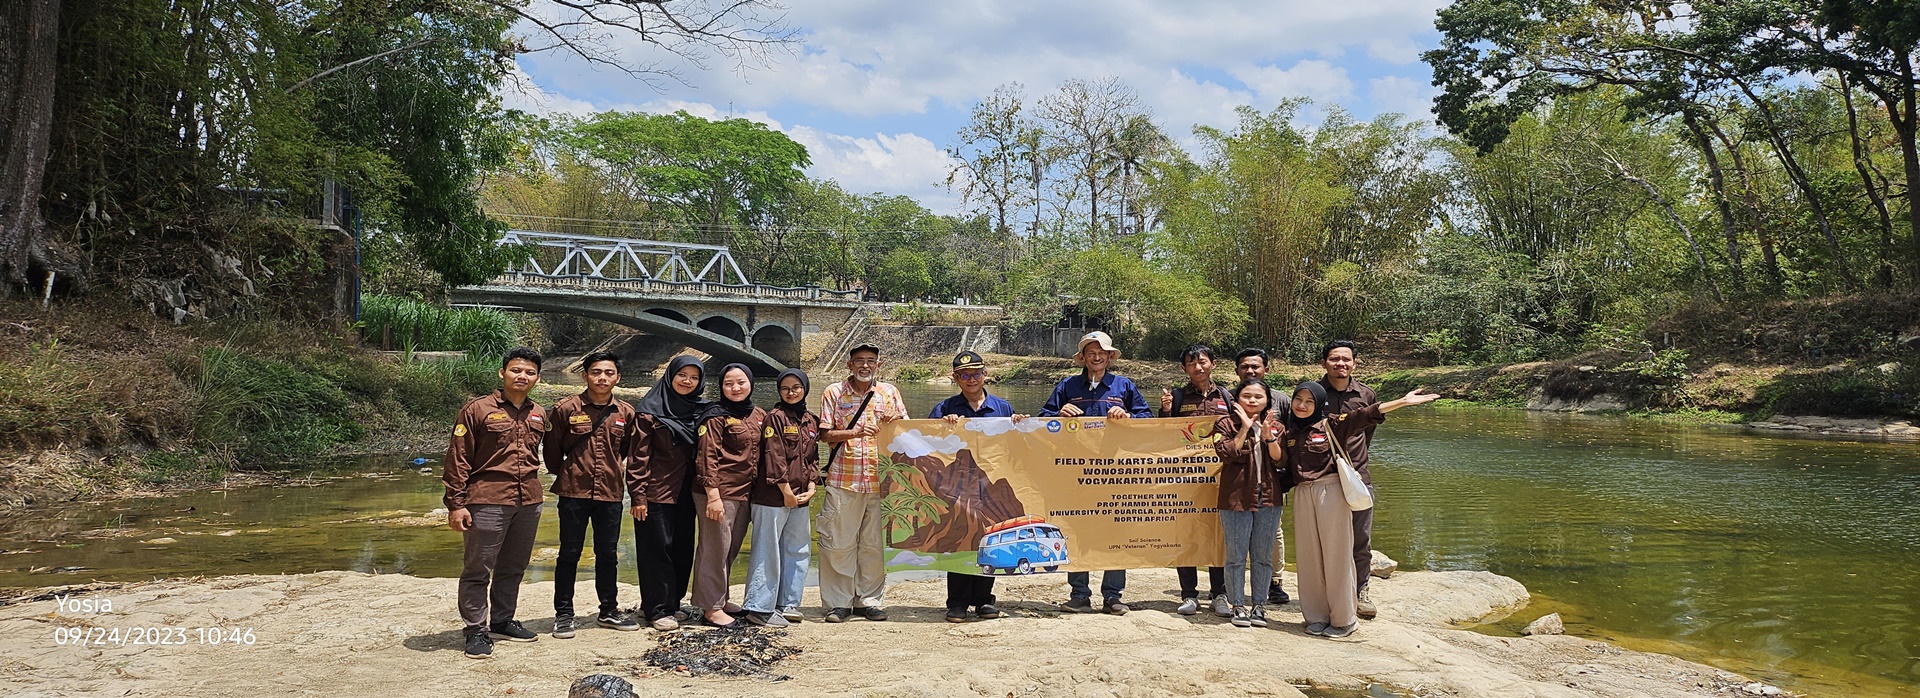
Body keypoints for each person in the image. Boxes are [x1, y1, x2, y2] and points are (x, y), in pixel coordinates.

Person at [1281, 380, 1438, 638]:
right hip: (1303, 494)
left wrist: (1402, 402)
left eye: (1309, 401)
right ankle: (1317, 616)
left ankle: (1344, 619)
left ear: (1318, 404)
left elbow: (1363, 415)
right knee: (1309, 559)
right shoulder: (1289, 434)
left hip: (1330, 492)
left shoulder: (1331, 425)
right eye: (1298, 400)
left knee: (1337, 555)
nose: (1302, 405)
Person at [443, 347, 549, 660]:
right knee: (478, 568)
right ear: (502, 373)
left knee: (514, 566)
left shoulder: (539, 413)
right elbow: (458, 458)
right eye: (516, 370)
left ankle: (503, 620)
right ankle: (476, 630)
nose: (523, 376)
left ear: (537, 378)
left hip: (528, 501)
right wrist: (455, 503)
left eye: (529, 372)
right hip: (487, 499)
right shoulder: (477, 410)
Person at [1039, 330, 1153, 615]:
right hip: (1074, 474)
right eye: (1091, 352)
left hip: (1115, 473)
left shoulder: (1124, 387)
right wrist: (1058, 415)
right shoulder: (1067, 387)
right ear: (1083, 358)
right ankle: (1079, 594)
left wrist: (1127, 417)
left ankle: (1113, 595)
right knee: (1075, 530)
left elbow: (1148, 420)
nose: (1097, 356)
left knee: (1116, 529)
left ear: (1110, 357)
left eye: (1102, 352)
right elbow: (1041, 421)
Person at [1317, 339, 1420, 620]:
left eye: (1346, 359)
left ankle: (1361, 591)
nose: (1341, 364)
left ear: (1355, 363)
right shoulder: (1314, 394)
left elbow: (1367, 433)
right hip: (1322, 477)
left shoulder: (1366, 394)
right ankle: (1330, 592)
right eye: (1335, 359)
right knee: (1325, 539)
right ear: (1324, 362)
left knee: (1360, 539)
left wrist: (1355, 462)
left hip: (1358, 476)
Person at [542, 352, 640, 638]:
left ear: (618, 378)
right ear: (585, 375)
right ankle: (564, 614)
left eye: (609, 373)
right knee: (569, 553)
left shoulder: (625, 413)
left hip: (610, 492)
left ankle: (608, 609)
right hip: (573, 491)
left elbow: (625, 451)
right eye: (596, 372)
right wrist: (570, 471)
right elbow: (552, 451)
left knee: (608, 554)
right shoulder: (565, 408)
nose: (602, 378)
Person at [928, 351, 1028, 622]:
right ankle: (957, 602)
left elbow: (1014, 447)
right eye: (964, 375)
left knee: (991, 540)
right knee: (960, 540)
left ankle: (984, 600)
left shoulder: (1003, 408)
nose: (970, 379)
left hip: (990, 484)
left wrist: (1020, 425)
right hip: (957, 488)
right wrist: (941, 426)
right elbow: (929, 444)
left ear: (985, 375)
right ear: (955, 378)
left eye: (975, 374)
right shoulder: (943, 408)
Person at [816, 343, 908, 623]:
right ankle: (838, 602)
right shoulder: (834, 392)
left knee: (873, 545)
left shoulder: (889, 392)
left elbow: (908, 432)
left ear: (878, 365)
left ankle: (869, 600)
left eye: (870, 361)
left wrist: (897, 421)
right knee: (838, 542)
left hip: (882, 480)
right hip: (845, 478)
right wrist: (853, 432)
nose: (865, 365)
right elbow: (824, 435)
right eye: (859, 361)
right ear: (849, 365)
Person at [628, 355, 709, 631]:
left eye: (694, 377)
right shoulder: (649, 411)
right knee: (656, 550)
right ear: (670, 375)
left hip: (688, 492)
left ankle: (672, 603)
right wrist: (637, 496)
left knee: (682, 548)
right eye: (682, 375)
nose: (687, 381)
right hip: (656, 491)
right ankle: (656, 608)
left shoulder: (699, 411)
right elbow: (638, 457)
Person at [742, 369, 820, 628]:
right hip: (772, 497)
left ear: (805, 389)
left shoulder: (810, 420)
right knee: (768, 550)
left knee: (798, 549)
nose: (791, 392)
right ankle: (759, 607)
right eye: (785, 388)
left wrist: (811, 485)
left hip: (800, 495)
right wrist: (785, 491)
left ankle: (788, 602)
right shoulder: (774, 418)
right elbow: (773, 457)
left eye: (796, 387)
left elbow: (812, 458)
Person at [690, 363, 765, 629]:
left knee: (731, 547)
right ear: (721, 387)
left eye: (741, 382)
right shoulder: (714, 417)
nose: (735, 388)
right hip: (719, 492)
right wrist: (712, 495)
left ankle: (721, 599)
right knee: (714, 548)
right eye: (728, 383)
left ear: (751, 383)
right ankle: (710, 607)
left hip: (745, 492)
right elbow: (706, 456)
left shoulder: (757, 414)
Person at [1159, 344, 1231, 617]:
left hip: (1220, 476)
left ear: (1213, 363)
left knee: (1218, 533)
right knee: (1185, 533)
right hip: (1184, 478)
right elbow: (1162, 436)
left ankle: (1219, 593)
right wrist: (1166, 412)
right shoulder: (1177, 397)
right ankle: (1189, 594)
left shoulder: (1227, 396)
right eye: (1191, 364)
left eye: (1202, 362)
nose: (1198, 368)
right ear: (1184, 369)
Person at [1212, 379, 1285, 628]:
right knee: (1235, 556)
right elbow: (1226, 452)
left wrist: (1268, 437)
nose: (1252, 401)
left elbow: (1281, 460)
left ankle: (1259, 606)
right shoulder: (1224, 423)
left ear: (1267, 401)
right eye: (1247, 396)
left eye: (1258, 397)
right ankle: (1238, 606)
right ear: (1237, 399)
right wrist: (1244, 428)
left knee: (1263, 556)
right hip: (1236, 498)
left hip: (1269, 497)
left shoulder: (1276, 426)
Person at [1235, 346, 1292, 608]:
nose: (1250, 371)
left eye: (1255, 366)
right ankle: (1232, 588)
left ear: (1266, 369)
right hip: (1237, 480)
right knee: (1235, 534)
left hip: (1271, 481)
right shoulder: (1230, 399)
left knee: (1273, 534)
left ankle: (1275, 582)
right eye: (1245, 366)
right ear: (1237, 371)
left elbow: (1292, 436)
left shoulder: (1281, 399)